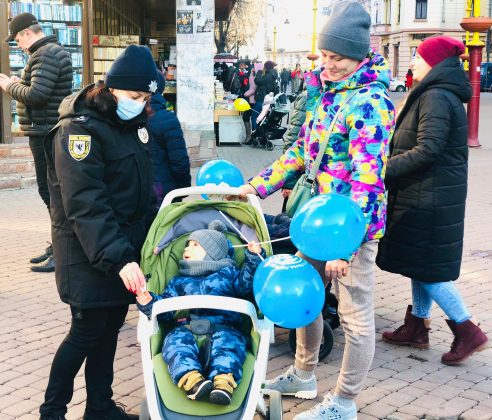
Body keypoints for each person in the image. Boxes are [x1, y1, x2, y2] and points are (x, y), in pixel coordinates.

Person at [237, 2, 395, 418]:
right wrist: (253, 188)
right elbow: (299, 155)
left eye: (337, 58)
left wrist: (346, 248)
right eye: (324, 56)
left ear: (360, 56)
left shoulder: (371, 104)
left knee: (354, 314)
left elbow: (367, 180)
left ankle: (344, 402)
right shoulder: (326, 95)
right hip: (313, 221)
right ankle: (304, 375)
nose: (328, 65)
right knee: (307, 296)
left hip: (348, 231)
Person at [39, 45, 158, 420]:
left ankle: (100, 407)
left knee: (109, 329)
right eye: (134, 96)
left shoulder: (130, 126)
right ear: (110, 88)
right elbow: (85, 203)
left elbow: (138, 191)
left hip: (119, 249)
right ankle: (52, 411)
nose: (139, 104)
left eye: (146, 98)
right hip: (88, 251)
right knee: (86, 332)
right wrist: (119, 256)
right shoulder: (79, 131)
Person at [377, 36, 489, 365]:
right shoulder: (431, 92)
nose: (412, 63)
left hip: (431, 195)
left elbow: (427, 149)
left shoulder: (436, 96)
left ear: (435, 63)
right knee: (420, 262)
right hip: (426, 191)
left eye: (418, 58)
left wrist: (382, 170)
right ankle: (416, 326)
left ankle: (467, 330)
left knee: (429, 270)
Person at [136, 220, 265, 405]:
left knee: (228, 347)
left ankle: (223, 383)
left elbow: (246, 285)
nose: (186, 249)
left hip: (224, 327)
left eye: (195, 245)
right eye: (186, 245)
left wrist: (253, 258)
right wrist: (150, 303)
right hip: (187, 327)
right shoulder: (179, 282)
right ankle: (192, 380)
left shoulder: (229, 274)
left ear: (212, 253)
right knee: (174, 343)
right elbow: (165, 309)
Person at [0, 12, 73, 273]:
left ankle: (63, 250)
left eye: (17, 40)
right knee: (51, 192)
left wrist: (10, 86)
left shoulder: (45, 54)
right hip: (45, 130)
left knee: (51, 192)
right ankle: (59, 245)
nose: (18, 45)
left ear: (27, 34)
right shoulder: (50, 52)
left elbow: (38, 95)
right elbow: (40, 89)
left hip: (45, 132)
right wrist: (24, 83)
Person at [148, 71, 191, 209]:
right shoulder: (167, 118)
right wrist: (182, 189)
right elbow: (179, 161)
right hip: (164, 191)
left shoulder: (127, 116)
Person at [252, 60, 277, 131]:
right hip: (268, 99)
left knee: (254, 116)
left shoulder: (268, 76)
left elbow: (257, 81)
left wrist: (259, 73)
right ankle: (259, 134)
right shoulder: (272, 75)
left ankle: (255, 134)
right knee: (262, 117)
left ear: (266, 67)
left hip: (262, 98)